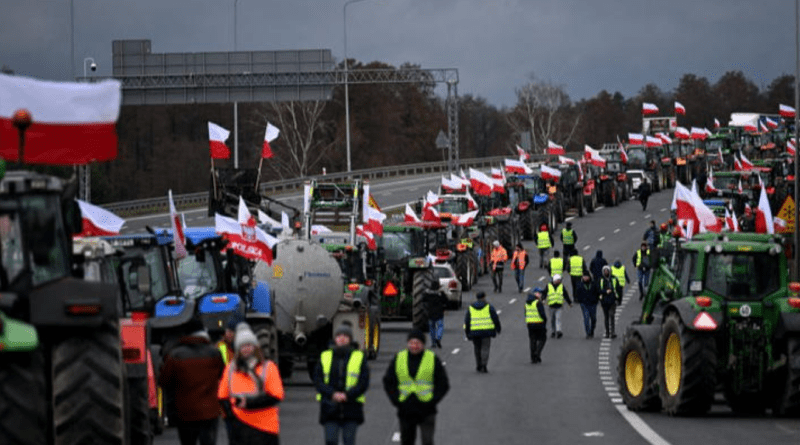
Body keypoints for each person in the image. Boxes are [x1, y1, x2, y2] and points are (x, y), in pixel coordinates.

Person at [159, 318, 225, 445]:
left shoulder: (176, 355)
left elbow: (164, 381)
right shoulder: (214, 353)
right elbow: (222, 376)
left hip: (185, 413)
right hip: (210, 412)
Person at [218, 322, 284, 445]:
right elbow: (222, 396)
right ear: (238, 349)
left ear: (255, 346)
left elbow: (276, 395)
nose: (246, 349)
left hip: (265, 428)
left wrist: (248, 403)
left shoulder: (269, 368)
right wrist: (231, 418)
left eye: (249, 345)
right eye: (242, 346)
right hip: (240, 426)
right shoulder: (230, 369)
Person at [383, 329, 450, 445]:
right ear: (408, 343)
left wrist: (433, 400)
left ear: (423, 345)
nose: (414, 346)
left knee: (427, 441)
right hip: (406, 409)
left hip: (427, 409)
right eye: (412, 343)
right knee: (407, 441)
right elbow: (389, 381)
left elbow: (443, 383)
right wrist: (396, 400)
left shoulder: (432, 359)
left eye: (417, 343)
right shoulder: (399, 358)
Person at [313, 325, 370, 445]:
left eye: (345, 336)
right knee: (331, 440)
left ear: (350, 339)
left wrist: (347, 395)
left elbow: (363, 382)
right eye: (339, 336)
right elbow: (318, 380)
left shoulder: (359, 357)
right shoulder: (325, 356)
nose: (342, 338)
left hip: (351, 407)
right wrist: (332, 394)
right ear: (335, 339)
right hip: (330, 407)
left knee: (349, 441)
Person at [463, 291, 502, 373]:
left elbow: (467, 321)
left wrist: (467, 332)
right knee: (485, 348)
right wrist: (498, 328)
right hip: (486, 331)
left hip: (475, 331)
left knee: (477, 349)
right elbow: (495, 318)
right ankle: (484, 365)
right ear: (484, 297)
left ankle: (478, 365)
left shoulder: (471, 308)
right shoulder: (489, 307)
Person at [543, 274, 572, 339]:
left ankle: (559, 331)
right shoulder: (548, 286)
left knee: (558, 318)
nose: (559, 281)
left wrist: (569, 302)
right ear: (555, 280)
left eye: (560, 280)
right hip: (551, 306)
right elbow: (544, 293)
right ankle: (553, 331)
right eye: (558, 280)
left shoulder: (561, 286)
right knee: (552, 319)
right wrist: (543, 299)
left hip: (559, 306)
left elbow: (565, 295)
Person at [422, 281, 449, 348]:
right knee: (440, 326)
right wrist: (444, 308)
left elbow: (423, 301)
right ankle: (438, 338)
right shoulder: (440, 294)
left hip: (430, 313)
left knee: (432, 328)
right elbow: (446, 301)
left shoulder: (427, 294)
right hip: (439, 313)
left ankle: (433, 343)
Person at [524, 288, 548, 363]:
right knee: (542, 339)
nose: (540, 295)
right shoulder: (538, 303)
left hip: (530, 324)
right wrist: (545, 321)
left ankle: (532, 357)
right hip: (539, 323)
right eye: (538, 293)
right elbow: (542, 314)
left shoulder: (526, 304)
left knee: (532, 340)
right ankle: (537, 353)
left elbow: (525, 314)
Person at [573, 272, 598, 339]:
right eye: (584, 276)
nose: (585, 278)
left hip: (593, 304)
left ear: (589, 277)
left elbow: (597, 292)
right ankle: (588, 333)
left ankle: (592, 330)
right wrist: (580, 300)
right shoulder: (580, 284)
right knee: (586, 318)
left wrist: (596, 300)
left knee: (593, 319)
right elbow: (577, 293)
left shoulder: (593, 284)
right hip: (584, 304)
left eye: (587, 276)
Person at [598, 266, 622, 339]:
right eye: (605, 271)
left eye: (607, 271)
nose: (606, 272)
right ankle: (607, 332)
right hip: (604, 302)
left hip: (612, 301)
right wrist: (605, 292)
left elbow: (619, 289)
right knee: (606, 317)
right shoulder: (601, 280)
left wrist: (619, 300)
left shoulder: (614, 279)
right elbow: (598, 290)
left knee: (612, 316)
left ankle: (612, 332)